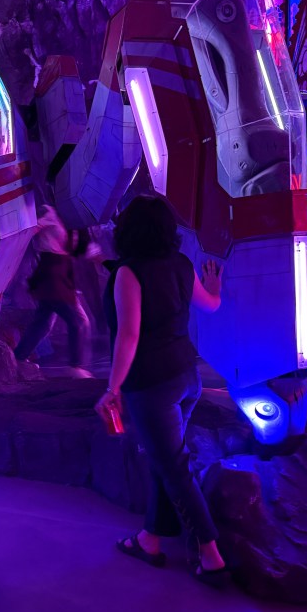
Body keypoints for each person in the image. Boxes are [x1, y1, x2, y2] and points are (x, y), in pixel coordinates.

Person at [95, 195, 228, 586]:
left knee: (174, 466)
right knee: (164, 460)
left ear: (128, 231)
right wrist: (214, 286)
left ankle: (211, 556)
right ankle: (150, 539)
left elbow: (129, 336)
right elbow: (211, 306)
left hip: (152, 385)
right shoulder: (181, 264)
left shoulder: (129, 273)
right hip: (187, 377)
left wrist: (112, 388)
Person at [15, 205, 94, 376]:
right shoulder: (49, 211)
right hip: (52, 273)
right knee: (78, 321)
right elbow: (30, 228)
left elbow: (73, 248)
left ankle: (18, 358)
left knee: (42, 323)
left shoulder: (70, 219)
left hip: (60, 272)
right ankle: (75, 366)